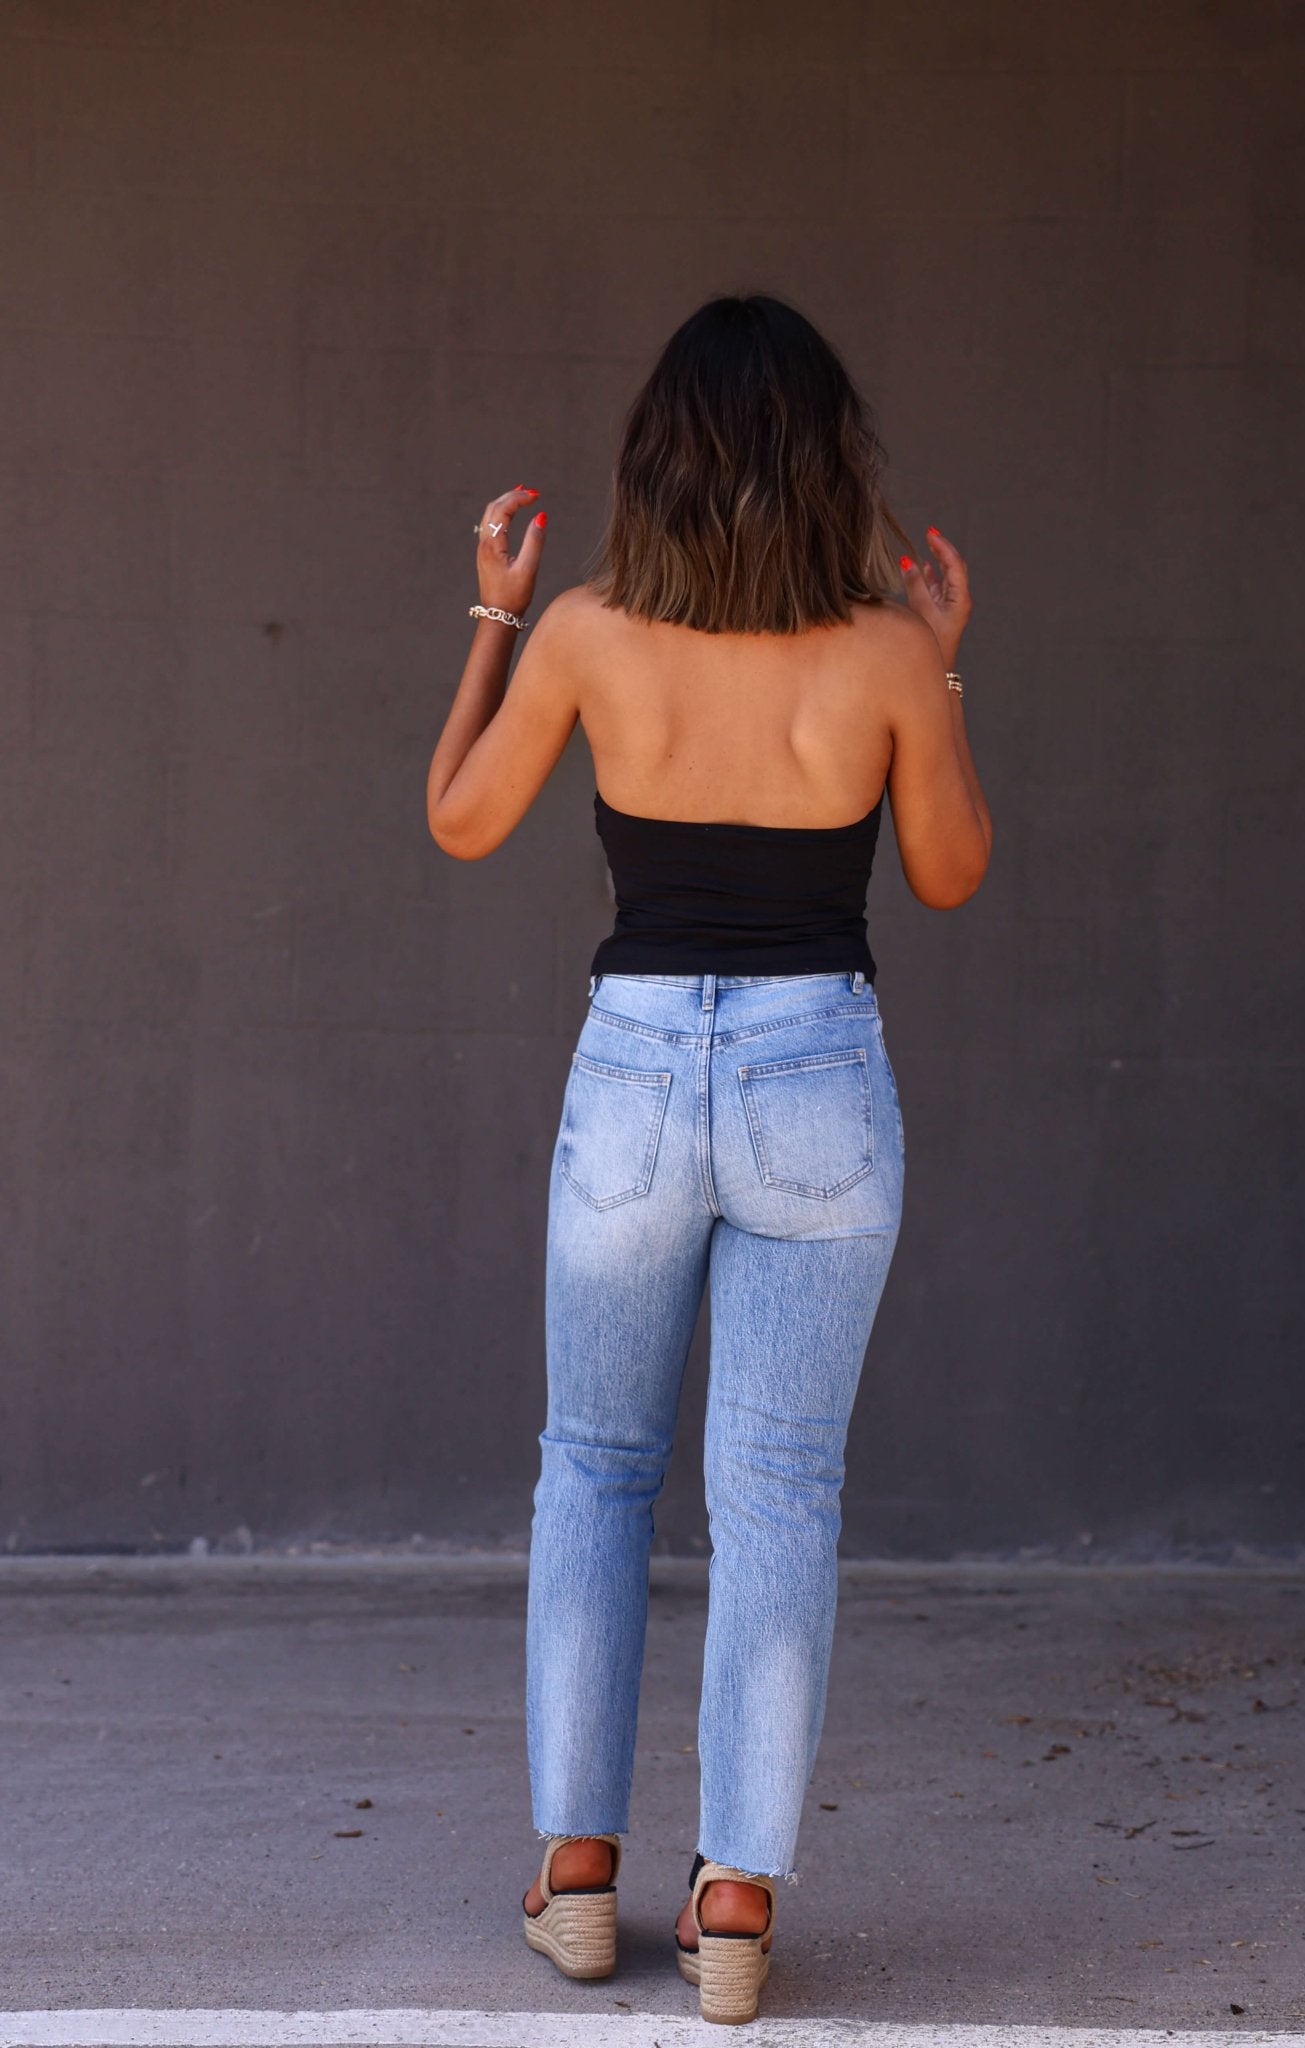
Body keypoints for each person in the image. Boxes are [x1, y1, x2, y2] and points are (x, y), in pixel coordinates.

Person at [426, 293, 990, 2026]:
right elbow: (952, 873)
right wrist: (944, 659)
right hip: (819, 1066)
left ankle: (577, 1872)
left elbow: (459, 816)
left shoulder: (590, 634)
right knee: (777, 1496)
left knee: (593, 1467)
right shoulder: (884, 654)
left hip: (639, 1070)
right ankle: (734, 1903)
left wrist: (493, 623)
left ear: (655, 462)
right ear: (832, 468)